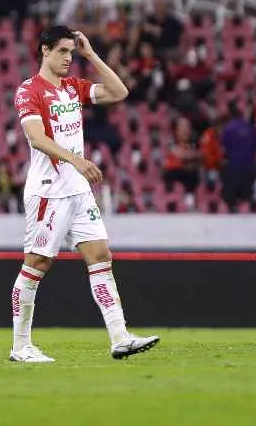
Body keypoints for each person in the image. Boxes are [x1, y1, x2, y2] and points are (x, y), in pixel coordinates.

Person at [10, 26, 160, 363]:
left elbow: (119, 91)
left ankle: (120, 338)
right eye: (62, 51)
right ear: (44, 51)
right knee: (36, 263)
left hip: (78, 192)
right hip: (49, 192)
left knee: (100, 256)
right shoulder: (28, 91)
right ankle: (20, 346)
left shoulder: (72, 88)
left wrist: (91, 54)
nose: (68, 58)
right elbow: (36, 137)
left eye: (71, 53)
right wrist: (77, 160)